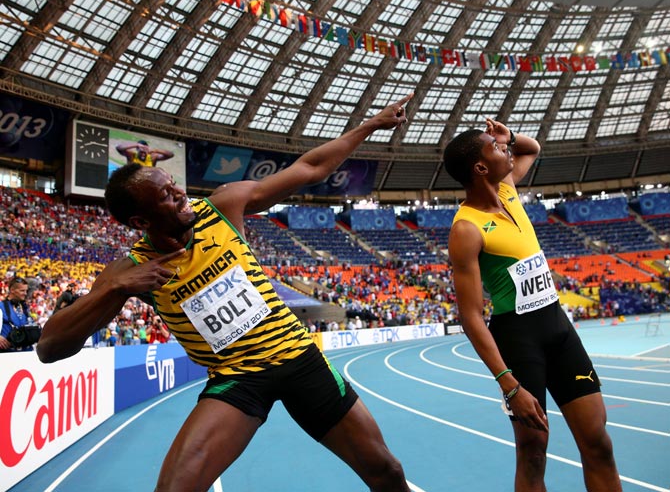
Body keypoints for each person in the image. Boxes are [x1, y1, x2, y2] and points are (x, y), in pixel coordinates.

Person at [37, 94, 414, 492]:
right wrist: (114, 289)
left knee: (386, 471)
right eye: (166, 196)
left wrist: (371, 124)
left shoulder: (222, 207)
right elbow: (50, 348)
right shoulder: (130, 270)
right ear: (140, 220)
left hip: (299, 358)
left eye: (173, 185)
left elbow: (310, 166)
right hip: (237, 377)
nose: (180, 194)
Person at [444, 119, 621, 491]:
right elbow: (471, 317)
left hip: (556, 324)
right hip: (518, 338)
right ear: (479, 168)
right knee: (534, 453)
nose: (505, 150)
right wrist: (509, 386)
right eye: (494, 148)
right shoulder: (467, 229)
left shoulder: (506, 189)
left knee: (598, 443)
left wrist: (505, 137)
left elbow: (531, 148)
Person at [1, 277, 37, 352]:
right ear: (12, 290)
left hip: (26, 352)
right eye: (22, 291)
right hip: (7, 354)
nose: (25, 293)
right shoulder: (1, 307)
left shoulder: (24, 308)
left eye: (26, 291)